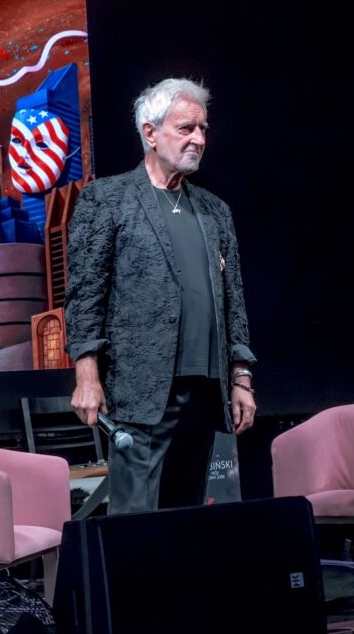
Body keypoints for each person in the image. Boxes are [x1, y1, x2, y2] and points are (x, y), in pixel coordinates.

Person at [64, 78, 257, 515]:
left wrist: (241, 377)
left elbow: (234, 301)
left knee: (185, 520)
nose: (199, 139)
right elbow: (84, 293)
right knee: (135, 524)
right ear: (150, 133)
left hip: (206, 391)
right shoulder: (107, 198)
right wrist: (87, 374)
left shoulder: (215, 211)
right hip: (141, 390)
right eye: (186, 128)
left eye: (203, 129)